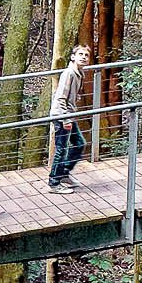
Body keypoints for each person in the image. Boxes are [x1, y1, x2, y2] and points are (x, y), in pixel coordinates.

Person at [47, 44, 90, 192]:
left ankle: (64, 172)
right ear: (73, 57)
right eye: (81, 54)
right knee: (61, 149)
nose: (84, 57)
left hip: (69, 115)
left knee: (79, 144)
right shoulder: (69, 73)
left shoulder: (78, 73)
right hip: (62, 116)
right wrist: (65, 120)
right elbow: (60, 98)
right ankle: (54, 183)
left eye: (86, 55)